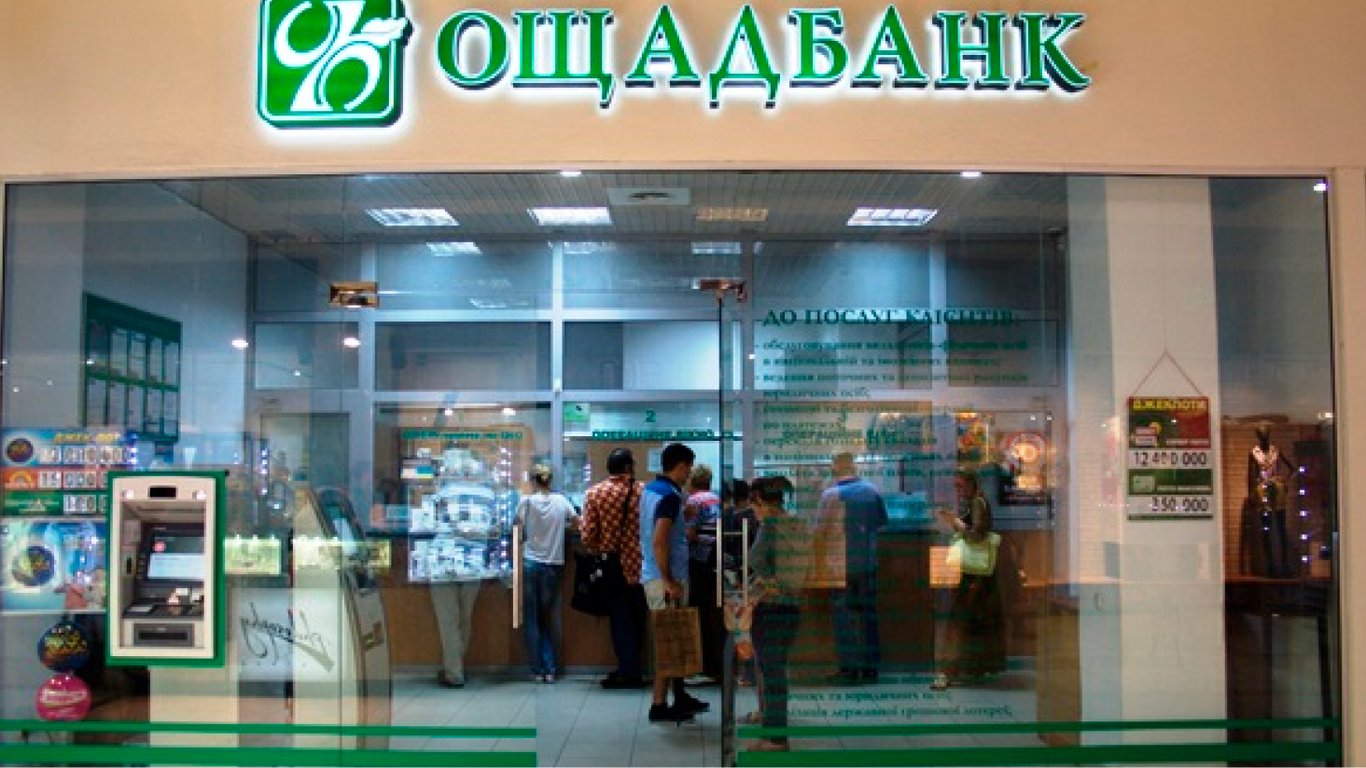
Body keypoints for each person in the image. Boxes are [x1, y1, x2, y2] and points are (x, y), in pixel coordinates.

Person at [640, 442, 710, 723]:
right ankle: (659, 705)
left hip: (655, 574)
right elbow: (659, 540)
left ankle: (678, 696)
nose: (689, 474)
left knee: (673, 639)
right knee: (669, 641)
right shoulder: (669, 496)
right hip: (665, 579)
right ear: (679, 466)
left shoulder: (651, 490)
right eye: (688, 469)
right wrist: (669, 580)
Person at [815, 452, 888, 684]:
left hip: (840, 566)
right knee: (868, 616)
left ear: (836, 467)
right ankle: (870, 669)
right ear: (854, 466)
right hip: (867, 563)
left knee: (843, 618)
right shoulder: (872, 490)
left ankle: (849, 669)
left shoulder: (830, 495)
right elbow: (881, 523)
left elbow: (819, 532)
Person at [745, 476, 806, 753]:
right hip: (792, 606)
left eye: (753, 503)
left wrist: (769, 582)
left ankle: (775, 739)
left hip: (771, 607)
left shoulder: (769, 526)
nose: (752, 509)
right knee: (777, 671)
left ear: (760, 500)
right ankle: (774, 732)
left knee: (771, 674)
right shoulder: (797, 524)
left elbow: (755, 558)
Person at [579, 448, 648, 689]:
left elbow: (587, 536)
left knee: (620, 618)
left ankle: (628, 669)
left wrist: (603, 545)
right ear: (628, 467)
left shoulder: (595, 493)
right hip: (641, 564)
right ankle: (637, 666)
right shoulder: (644, 491)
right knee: (639, 616)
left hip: (613, 565)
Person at [932, 469, 1006, 690]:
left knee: (958, 620)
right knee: (969, 620)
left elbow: (976, 535)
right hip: (977, 573)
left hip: (973, 573)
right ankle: (962, 668)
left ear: (971, 484)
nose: (958, 490)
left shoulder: (977, 503)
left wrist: (954, 522)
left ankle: (948, 670)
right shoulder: (976, 502)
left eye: (960, 486)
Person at [516, 464, 579, 683]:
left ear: (534, 481)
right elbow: (577, 523)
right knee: (545, 617)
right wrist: (561, 529)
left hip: (531, 562)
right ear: (550, 480)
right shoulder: (562, 501)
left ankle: (537, 669)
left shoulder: (526, 502)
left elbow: (516, 526)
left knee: (532, 618)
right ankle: (550, 669)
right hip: (553, 564)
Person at [684, 464, 723, 683]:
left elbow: (690, 534)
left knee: (697, 613)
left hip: (699, 560)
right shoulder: (716, 499)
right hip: (716, 561)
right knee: (714, 614)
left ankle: (702, 665)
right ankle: (717, 665)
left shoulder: (694, 501)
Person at [1247, 423, 1297, 577]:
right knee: (1266, 528)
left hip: (1277, 488)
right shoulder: (1254, 452)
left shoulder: (1276, 450)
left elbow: (1293, 469)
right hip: (1262, 490)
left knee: (1281, 527)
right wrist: (1251, 494)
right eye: (1261, 435)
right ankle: (1269, 567)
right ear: (1258, 436)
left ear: (1269, 435)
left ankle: (1284, 566)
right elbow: (1250, 475)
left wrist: (1284, 481)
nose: (1264, 437)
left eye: (1266, 434)